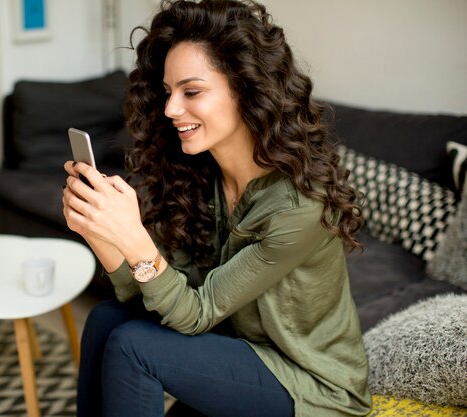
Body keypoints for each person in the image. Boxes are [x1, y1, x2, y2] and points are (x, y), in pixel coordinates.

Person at [62, 0, 372, 416]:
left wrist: (134, 238)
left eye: (191, 91)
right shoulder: (203, 173)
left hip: (310, 382)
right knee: (106, 320)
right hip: (237, 346)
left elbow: (196, 311)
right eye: (169, 92)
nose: (172, 109)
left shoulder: (300, 204)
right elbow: (156, 297)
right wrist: (103, 234)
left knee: (133, 347)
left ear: (245, 88)